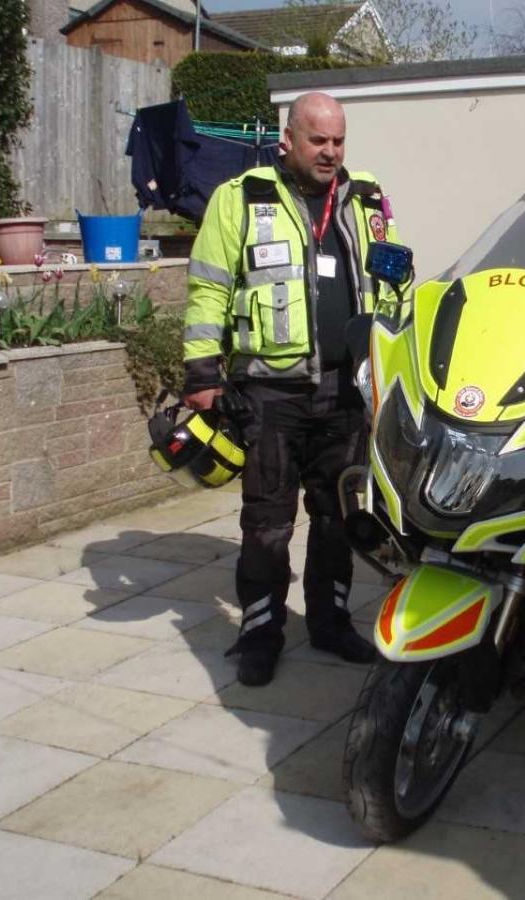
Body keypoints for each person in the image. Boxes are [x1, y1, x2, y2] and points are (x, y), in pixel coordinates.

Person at [181, 92, 401, 686]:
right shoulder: (241, 199)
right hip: (271, 396)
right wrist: (202, 374)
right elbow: (208, 290)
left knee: (338, 519)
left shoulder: (366, 199)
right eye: (318, 140)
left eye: (339, 141)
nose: (330, 152)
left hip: (348, 394)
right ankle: (260, 631)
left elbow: (392, 287)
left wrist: (391, 369)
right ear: (289, 140)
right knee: (268, 524)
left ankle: (329, 623)